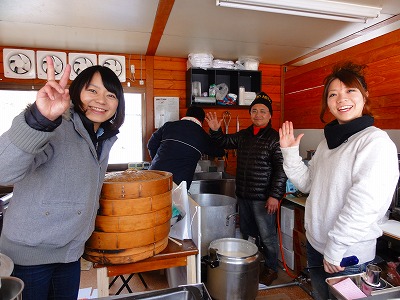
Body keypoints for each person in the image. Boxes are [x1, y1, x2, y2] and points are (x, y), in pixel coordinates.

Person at [0, 57, 125, 300]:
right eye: (92, 90)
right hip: (29, 255)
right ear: (77, 92)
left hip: (69, 254)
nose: (101, 100)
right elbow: (3, 170)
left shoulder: (103, 136)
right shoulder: (55, 126)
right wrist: (39, 119)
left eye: (111, 95)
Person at [279, 62, 399, 299]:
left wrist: (334, 248)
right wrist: (290, 153)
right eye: (333, 94)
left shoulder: (374, 142)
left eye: (349, 91)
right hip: (318, 247)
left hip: (345, 256)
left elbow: (364, 205)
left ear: (365, 95)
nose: (341, 99)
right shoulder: (327, 143)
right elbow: (307, 184)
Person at [205, 92, 287, 286]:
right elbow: (224, 142)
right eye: (254, 111)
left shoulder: (275, 138)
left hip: (263, 198)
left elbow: (281, 169)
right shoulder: (244, 135)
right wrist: (216, 131)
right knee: (249, 232)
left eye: (262, 111)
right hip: (244, 194)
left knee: (267, 236)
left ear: (269, 115)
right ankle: (252, 263)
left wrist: (274, 196)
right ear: (250, 114)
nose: (258, 114)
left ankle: (272, 269)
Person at [147, 105, 225, 189]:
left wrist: (158, 161)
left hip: (154, 174)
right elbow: (220, 152)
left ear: (186, 115)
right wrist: (215, 131)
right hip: (178, 183)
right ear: (201, 121)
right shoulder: (202, 135)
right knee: (170, 202)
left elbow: (151, 145)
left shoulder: (168, 126)